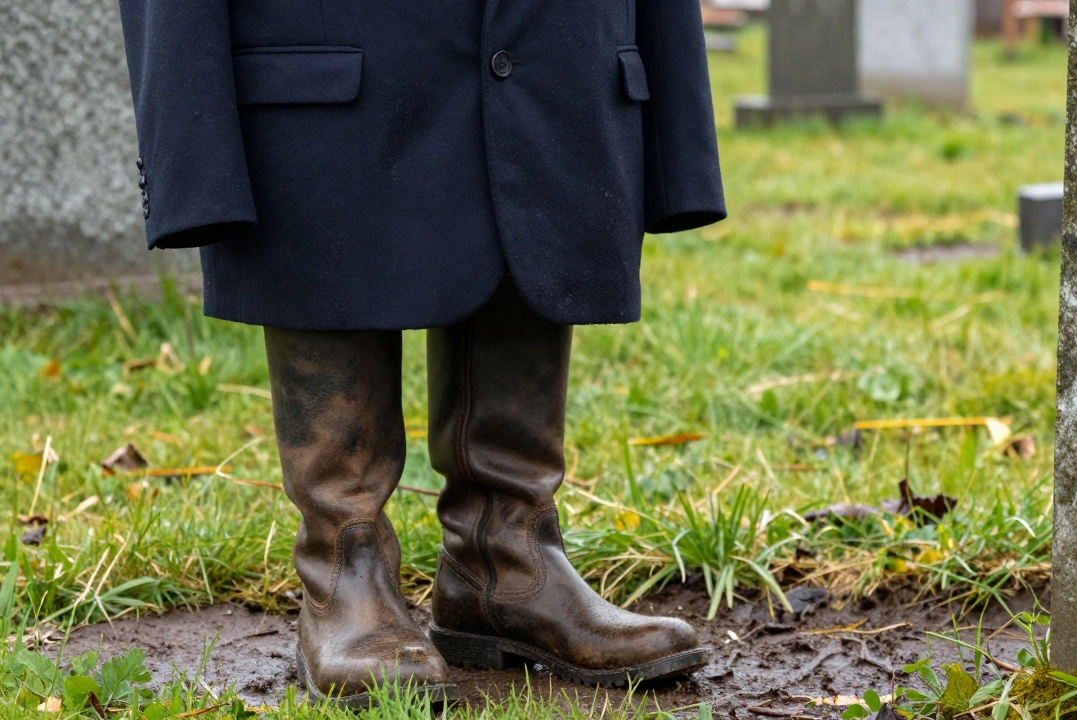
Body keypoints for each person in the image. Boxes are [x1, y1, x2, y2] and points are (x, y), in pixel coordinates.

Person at [117, 0, 726, 707]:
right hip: (319, 57)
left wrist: (680, 129)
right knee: (333, 227)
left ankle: (509, 561)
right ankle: (345, 571)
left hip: (565, 38)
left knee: (534, 199)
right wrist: (185, 151)